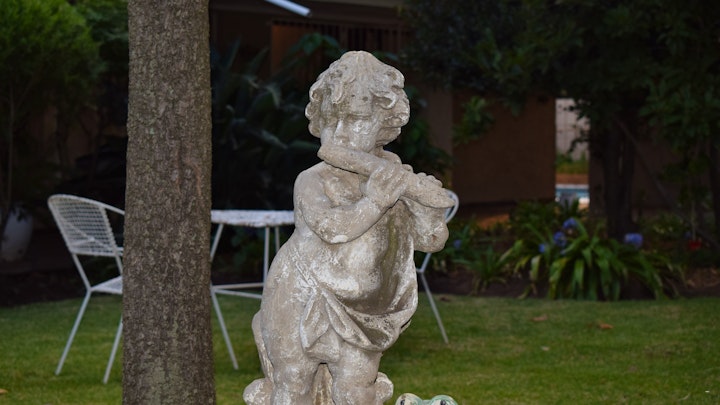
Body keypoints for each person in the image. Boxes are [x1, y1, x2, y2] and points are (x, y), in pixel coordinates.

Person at [244, 51, 451, 405]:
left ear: (386, 123)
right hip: (300, 293)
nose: (338, 133)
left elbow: (431, 241)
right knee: (294, 383)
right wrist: (375, 202)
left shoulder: (393, 175)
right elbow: (332, 228)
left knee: (357, 388)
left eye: (354, 119)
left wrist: (429, 209)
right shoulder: (313, 179)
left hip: (364, 309)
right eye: (330, 120)